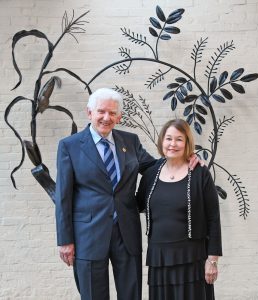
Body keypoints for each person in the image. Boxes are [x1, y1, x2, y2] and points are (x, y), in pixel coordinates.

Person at [55, 88, 199, 300]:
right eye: (101, 112)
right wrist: (65, 240)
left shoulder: (130, 141)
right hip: (88, 236)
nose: (106, 118)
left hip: (126, 233)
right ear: (89, 113)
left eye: (112, 113)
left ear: (119, 116)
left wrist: (185, 158)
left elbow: (154, 167)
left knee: (131, 295)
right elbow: (63, 196)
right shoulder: (70, 146)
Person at [137, 119, 222, 300]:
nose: (172, 144)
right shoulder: (151, 173)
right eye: (168, 138)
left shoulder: (200, 173)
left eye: (179, 139)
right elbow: (136, 204)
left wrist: (212, 260)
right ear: (162, 141)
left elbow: (213, 218)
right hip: (159, 257)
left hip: (192, 256)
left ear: (187, 143)